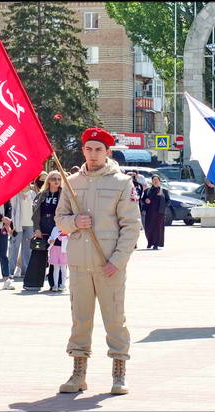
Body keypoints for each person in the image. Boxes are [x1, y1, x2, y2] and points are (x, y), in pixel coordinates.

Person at [55, 127, 140, 395]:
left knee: (115, 319)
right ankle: (78, 374)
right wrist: (74, 222)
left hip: (109, 265)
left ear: (107, 152)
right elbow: (60, 219)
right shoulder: (71, 182)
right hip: (80, 263)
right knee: (80, 320)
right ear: (83, 150)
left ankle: (119, 373)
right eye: (89, 149)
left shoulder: (121, 183)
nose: (93, 154)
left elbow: (131, 226)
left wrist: (118, 260)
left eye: (98, 150)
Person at [23, 170, 63, 291]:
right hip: (43, 226)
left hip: (57, 227)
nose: (56, 181)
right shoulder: (42, 194)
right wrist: (36, 228)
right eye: (54, 179)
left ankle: (56, 283)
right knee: (39, 253)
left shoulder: (64, 195)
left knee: (56, 256)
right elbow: (35, 213)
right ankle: (33, 283)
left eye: (59, 179)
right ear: (48, 181)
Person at [9, 185, 36, 278]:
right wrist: (12, 226)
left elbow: (36, 209)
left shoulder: (33, 194)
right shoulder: (15, 194)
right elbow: (12, 210)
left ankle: (25, 270)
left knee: (27, 249)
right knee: (14, 247)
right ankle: (10, 271)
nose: (26, 184)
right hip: (17, 225)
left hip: (30, 224)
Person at [141, 175, 170, 250]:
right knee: (149, 228)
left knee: (158, 229)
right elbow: (143, 199)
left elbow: (168, 201)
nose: (155, 181)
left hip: (160, 213)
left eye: (157, 179)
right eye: (154, 180)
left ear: (159, 181)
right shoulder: (147, 190)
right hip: (149, 213)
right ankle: (150, 242)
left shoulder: (164, 191)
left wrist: (163, 206)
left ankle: (156, 244)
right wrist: (146, 200)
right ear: (152, 181)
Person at [47, 226, 68, 292]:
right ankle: (55, 285)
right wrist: (50, 240)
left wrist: (64, 238)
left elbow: (70, 237)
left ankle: (63, 285)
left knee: (63, 268)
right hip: (54, 249)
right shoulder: (55, 228)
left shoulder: (67, 228)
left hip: (64, 250)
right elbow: (51, 237)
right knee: (56, 268)